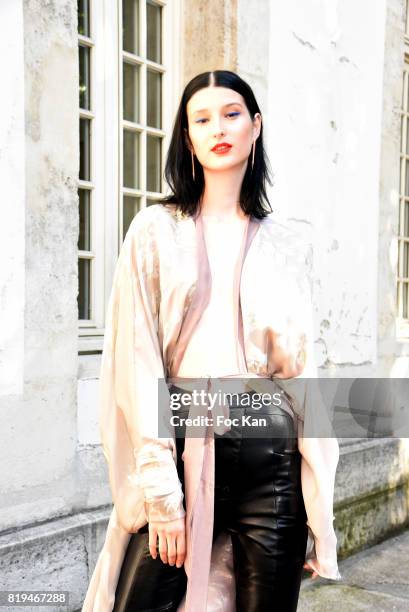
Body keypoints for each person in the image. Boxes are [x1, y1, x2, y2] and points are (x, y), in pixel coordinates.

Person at [82, 70, 341, 612]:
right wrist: (160, 493)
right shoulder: (154, 230)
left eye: (231, 114)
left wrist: (320, 512)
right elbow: (138, 361)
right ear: (188, 137)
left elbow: (304, 378)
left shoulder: (290, 243)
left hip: (271, 464)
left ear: (255, 126)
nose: (218, 128)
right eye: (201, 119)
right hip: (182, 447)